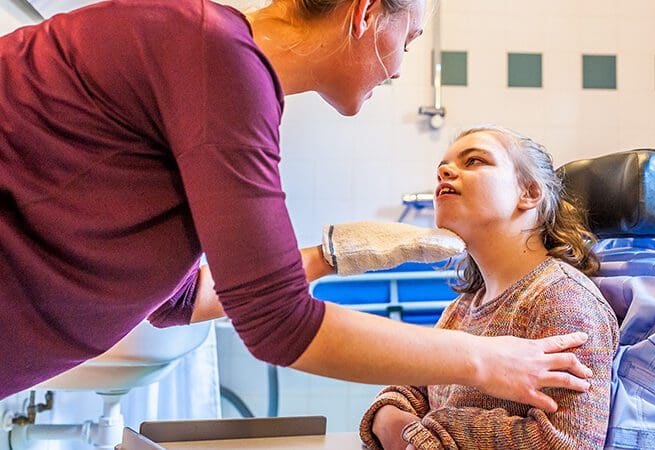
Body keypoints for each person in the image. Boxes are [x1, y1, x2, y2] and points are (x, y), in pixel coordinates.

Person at [0, 0, 593, 408]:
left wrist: (333, 257)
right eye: (407, 39)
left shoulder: (214, 59)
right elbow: (278, 324)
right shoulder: (219, 63)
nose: (401, 65)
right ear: (364, 13)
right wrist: (485, 362)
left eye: (478, 160)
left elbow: (173, 300)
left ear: (530, 196)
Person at [360, 126, 620, 450]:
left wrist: (430, 430)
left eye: (474, 161)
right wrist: (390, 416)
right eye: (443, 166)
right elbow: (409, 391)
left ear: (529, 193)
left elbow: (564, 443)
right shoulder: (463, 308)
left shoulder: (562, 300)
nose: (443, 171)